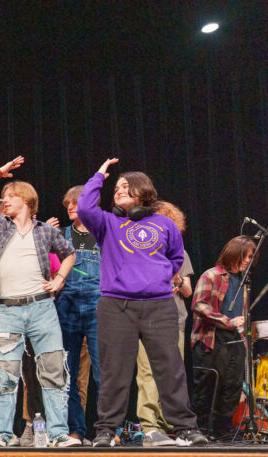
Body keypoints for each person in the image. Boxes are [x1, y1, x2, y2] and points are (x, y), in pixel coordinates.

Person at [77, 158, 207, 447]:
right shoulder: (107, 222)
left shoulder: (164, 224)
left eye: (125, 187)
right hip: (116, 306)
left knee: (170, 368)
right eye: (117, 188)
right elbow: (85, 207)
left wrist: (157, 278)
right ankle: (107, 431)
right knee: (114, 371)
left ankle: (185, 427)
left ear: (142, 193)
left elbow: (175, 258)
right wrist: (100, 175)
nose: (118, 191)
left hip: (159, 306)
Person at [0, 156, 80, 447]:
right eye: (3, 196)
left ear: (26, 201)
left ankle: (58, 434)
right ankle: (3, 434)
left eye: (10, 196)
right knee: (4, 376)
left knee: (53, 373)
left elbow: (69, 253)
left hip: (42, 307)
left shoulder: (46, 231)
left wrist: (60, 279)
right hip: (8, 310)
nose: (4, 200)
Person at [135, 201, 194, 446]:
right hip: (146, 317)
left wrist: (177, 278)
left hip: (174, 318)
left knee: (172, 373)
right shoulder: (137, 249)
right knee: (147, 372)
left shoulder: (179, 251)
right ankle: (150, 424)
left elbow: (188, 291)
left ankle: (172, 424)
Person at [48, 186, 102, 443]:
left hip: (98, 308)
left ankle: (106, 430)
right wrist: (44, 236)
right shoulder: (60, 235)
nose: (70, 207)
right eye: (67, 203)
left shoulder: (105, 234)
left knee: (104, 373)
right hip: (66, 308)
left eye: (76, 203)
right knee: (66, 374)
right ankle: (75, 431)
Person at [191, 236, 257, 439]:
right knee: (210, 386)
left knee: (233, 387)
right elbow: (199, 305)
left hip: (235, 339)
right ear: (234, 253)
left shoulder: (244, 282)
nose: (248, 260)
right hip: (212, 338)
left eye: (251, 257)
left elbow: (242, 315)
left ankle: (224, 430)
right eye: (246, 256)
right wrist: (227, 321)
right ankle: (203, 429)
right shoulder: (211, 275)